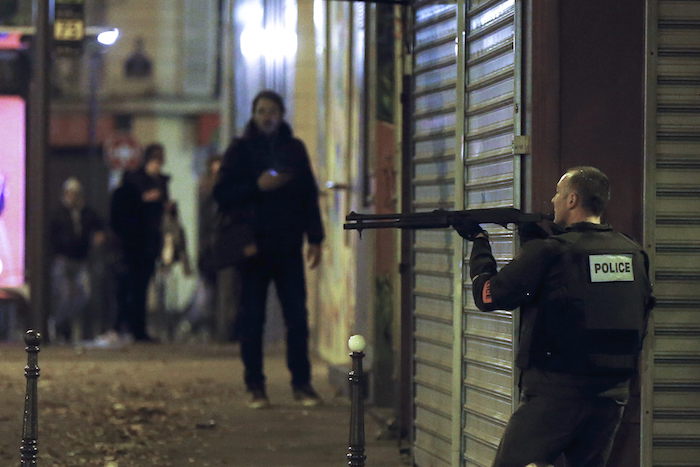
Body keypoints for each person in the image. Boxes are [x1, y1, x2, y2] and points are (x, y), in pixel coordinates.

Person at [457, 167, 654, 467]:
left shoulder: (551, 252)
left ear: (572, 199)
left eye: (558, 193)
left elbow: (488, 295)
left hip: (556, 394)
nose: (553, 200)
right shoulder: (633, 253)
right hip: (611, 396)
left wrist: (479, 241)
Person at [214, 90, 324, 409]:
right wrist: (256, 187)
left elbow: (308, 196)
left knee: (297, 318)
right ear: (253, 114)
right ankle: (255, 386)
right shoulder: (240, 150)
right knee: (252, 318)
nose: (267, 117)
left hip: (288, 245)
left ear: (282, 114)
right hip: (252, 248)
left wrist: (315, 239)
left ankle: (301, 384)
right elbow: (222, 194)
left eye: (273, 111)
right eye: (262, 111)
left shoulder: (294, 149)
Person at [109, 144, 170, 342]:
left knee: (140, 287)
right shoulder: (134, 185)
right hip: (135, 245)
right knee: (132, 287)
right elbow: (124, 215)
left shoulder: (159, 182)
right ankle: (129, 326)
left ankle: (134, 327)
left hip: (147, 244)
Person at [49, 177, 105, 342]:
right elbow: (50, 236)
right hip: (63, 259)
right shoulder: (57, 214)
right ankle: (58, 324)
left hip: (81, 260)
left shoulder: (87, 213)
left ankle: (61, 323)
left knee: (84, 294)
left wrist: (99, 236)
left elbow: (100, 226)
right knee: (65, 295)